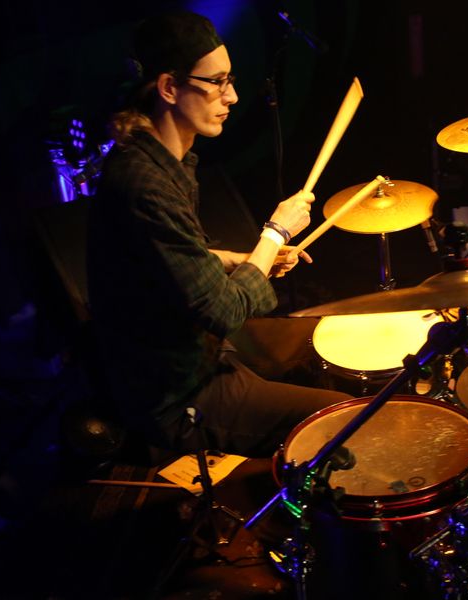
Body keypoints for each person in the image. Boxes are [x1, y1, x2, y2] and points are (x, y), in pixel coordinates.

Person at [86, 11, 350, 459]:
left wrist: (242, 259)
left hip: (201, 361)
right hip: (178, 395)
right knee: (344, 417)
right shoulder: (143, 184)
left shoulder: (161, 162)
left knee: (315, 350)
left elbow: (176, 263)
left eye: (231, 80)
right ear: (169, 88)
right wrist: (274, 233)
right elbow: (223, 311)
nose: (232, 96)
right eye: (216, 82)